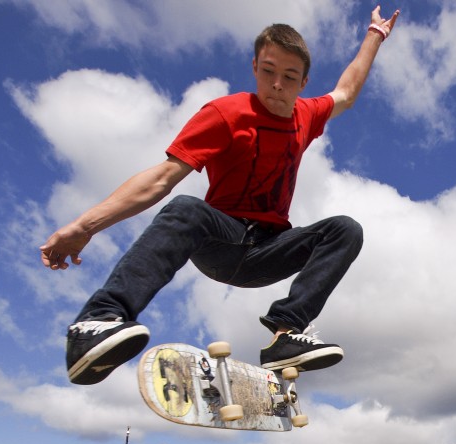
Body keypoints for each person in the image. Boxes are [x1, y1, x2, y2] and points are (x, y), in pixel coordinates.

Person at [40, 7, 400, 386]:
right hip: (220, 241)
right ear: (255, 68)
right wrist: (85, 226)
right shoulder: (225, 113)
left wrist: (375, 34)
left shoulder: (306, 116)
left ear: (303, 82)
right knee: (185, 208)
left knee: (345, 229)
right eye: (268, 72)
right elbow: (161, 179)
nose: (277, 85)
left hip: (268, 249)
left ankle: (285, 335)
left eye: (289, 77)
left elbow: (346, 92)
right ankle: (99, 318)